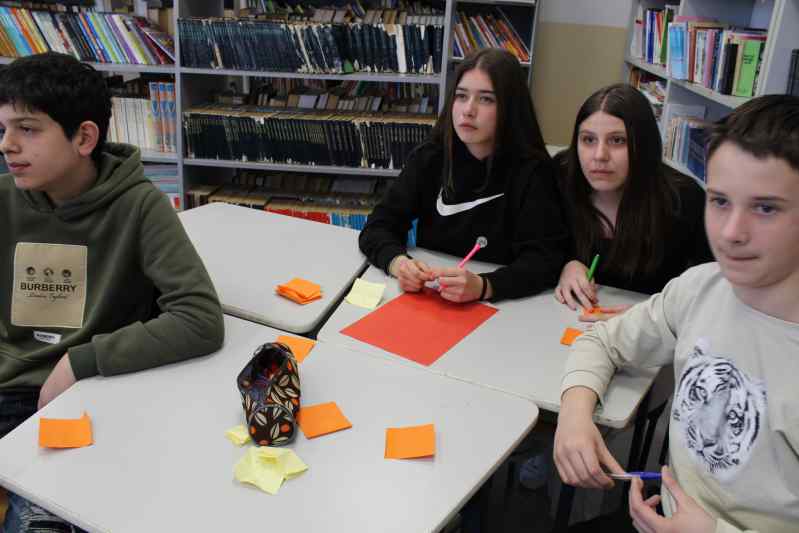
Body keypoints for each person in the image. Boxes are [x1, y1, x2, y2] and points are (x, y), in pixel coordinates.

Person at [0, 53, 225, 531]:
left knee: (41, 524)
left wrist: (81, 361)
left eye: (27, 129)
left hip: (81, 396)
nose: (7, 145)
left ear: (84, 138)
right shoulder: (4, 199)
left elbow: (199, 318)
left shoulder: (139, 206)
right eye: (3, 129)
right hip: (7, 384)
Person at [554, 94, 799, 533]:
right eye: (720, 201)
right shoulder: (700, 287)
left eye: (765, 208)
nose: (730, 232)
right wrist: (574, 414)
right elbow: (602, 340)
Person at [358, 47, 569, 302]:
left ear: (510, 107)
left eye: (486, 99)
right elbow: (378, 226)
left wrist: (484, 286)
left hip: (504, 308)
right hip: (430, 297)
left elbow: (545, 259)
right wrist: (398, 263)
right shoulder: (430, 157)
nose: (468, 110)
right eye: (461, 96)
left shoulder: (534, 172)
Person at [554, 83, 712, 314]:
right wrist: (566, 265)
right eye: (588, 140)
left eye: (618, 140)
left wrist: (650, 317)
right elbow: (539, 247)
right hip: (571, 316)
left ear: (643, 145)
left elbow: (706, 289)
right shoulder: (561, 176)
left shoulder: (684, 200)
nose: (599, 155)